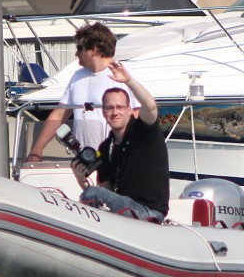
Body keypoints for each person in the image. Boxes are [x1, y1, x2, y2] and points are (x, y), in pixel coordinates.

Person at [25, 22, 135, 162]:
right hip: (82, 160)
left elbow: (137, 115)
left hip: (115, 159)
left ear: (94, 50)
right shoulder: (77, 76)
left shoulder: (124, 75)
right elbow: (60, 113)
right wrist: (37, 150)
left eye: (79, 48)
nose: (76, 53)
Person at [73, 62, 169, 222]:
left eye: (120, 107)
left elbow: (150, 107)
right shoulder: (105, 148)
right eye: (109, 108)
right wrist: (80, 179)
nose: (115, 112)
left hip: (150, 213)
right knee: (92, 193)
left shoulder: (144, 130)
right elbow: (106, 193)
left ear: (129, 110)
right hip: (124, 216)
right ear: (103, 112)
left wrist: (128, 80)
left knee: (92, 193)